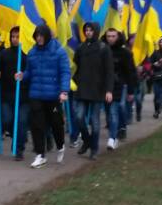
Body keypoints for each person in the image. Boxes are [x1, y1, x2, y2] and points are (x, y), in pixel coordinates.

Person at [19, 24, 70, 168]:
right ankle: (40, 155)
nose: (39, 38)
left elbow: (65, 72)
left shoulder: (59, 52)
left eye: (41, 36)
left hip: (53, 96)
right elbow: (30, 71)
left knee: (56, 123)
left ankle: (60, 145)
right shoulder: (32, 52)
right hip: (36, 94)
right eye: (37, 36)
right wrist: (23, 75)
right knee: (37, 125)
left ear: (47, 36)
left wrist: (64, 91)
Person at [71, 22, 114, 160]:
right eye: (86, 30)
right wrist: (73, 81)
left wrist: (109, 90)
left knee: (95, 122)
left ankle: (94, 149)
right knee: (79, 117)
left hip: (97, 89)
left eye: (91, 30)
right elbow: (75, 66)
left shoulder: (103, 48)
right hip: (82, 88)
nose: (88, 32)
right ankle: (87, 141)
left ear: (96, 31)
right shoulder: (81, 48)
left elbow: (109, 71)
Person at [0, 26, 30, 160]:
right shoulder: (4, 54)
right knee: (7, 120)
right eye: (13, 37)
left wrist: (24, 76)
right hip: (7, 95)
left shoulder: (27, 54)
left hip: (23, 96)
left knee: (21, 121)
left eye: (18, 37)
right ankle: (16, 137)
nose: (15, 39)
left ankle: (19, 148)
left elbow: (32, 72)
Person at [104, 28, 137, 146]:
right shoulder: (103, 50)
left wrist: (131, 91)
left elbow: (130, 72)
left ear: (118, 37)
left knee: (120, 107)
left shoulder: (125, 53)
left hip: (121, 85)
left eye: (113, 36)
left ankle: (117, 132)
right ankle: (117, 127)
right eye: (108, 36)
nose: (111, 39)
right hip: (106, 86)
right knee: (109, 110)